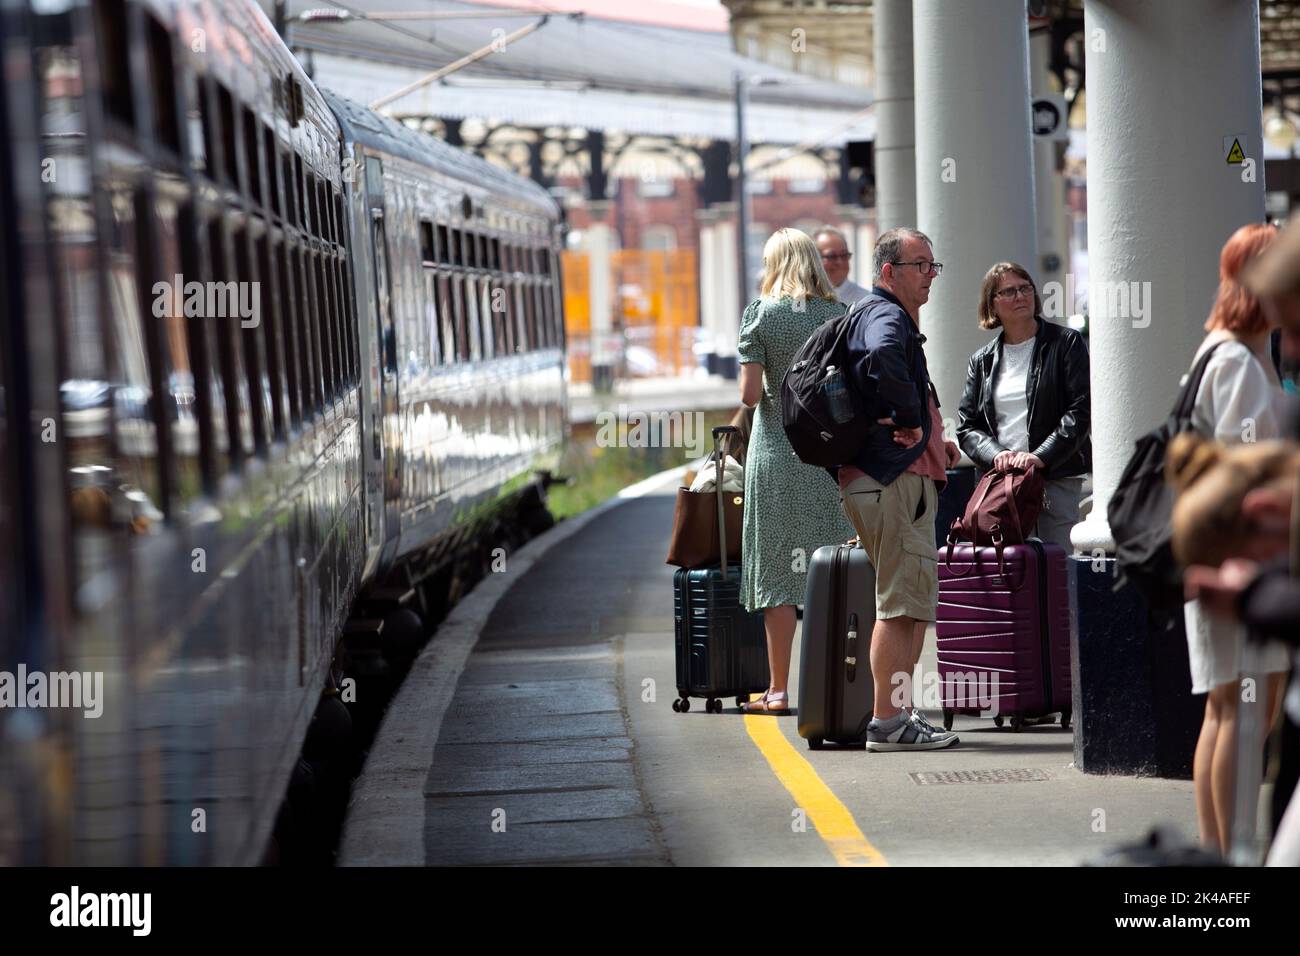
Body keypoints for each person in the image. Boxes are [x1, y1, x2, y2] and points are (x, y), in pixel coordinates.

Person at [1187, 215, 1300, 865]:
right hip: (1238, 558)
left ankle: (1217, 853)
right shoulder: (1236, 359)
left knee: (1225, 708)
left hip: (1219, 554)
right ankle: (1229, 854)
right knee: (1240, 711)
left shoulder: (1220, 350)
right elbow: (1241, 468)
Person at [837, 227, 961, 750]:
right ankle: (888, 721)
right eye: (920, 265)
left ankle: (901, 714)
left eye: (933, 265)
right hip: (894, 481)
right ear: (888, 272)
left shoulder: (876, 314)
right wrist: (909, 418)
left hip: (892, 478)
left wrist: (932, 437)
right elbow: (882, 358)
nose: (930, 275)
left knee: (909, 602)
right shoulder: (886, 316)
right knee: (899, 604)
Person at [736, 228, 857, 714]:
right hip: (829, 459)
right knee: (835, 572)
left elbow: (749, 396)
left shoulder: (760, 315)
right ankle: (835, 685)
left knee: (777, 577)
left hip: (777, 456)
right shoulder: (840, 316)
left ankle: (780, 691)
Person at [956, 262, 1092, 551]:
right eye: (1008, 291)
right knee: (1013, 575)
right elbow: (967, 426)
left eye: (1024, 288)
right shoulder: (982, 361)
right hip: (1004, 484)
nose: (1019, 296)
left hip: (1054, 477)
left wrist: (1039, 457)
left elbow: (1080, 410)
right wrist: (998, 455)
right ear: (991, 305)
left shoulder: (1065, 343)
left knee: (1058, 567)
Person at [814, 226, 869, 306]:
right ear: (814, 259)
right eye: (831, 256)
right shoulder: (803, 300)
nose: (839, 262)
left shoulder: (865, 301)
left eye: (844, 255)